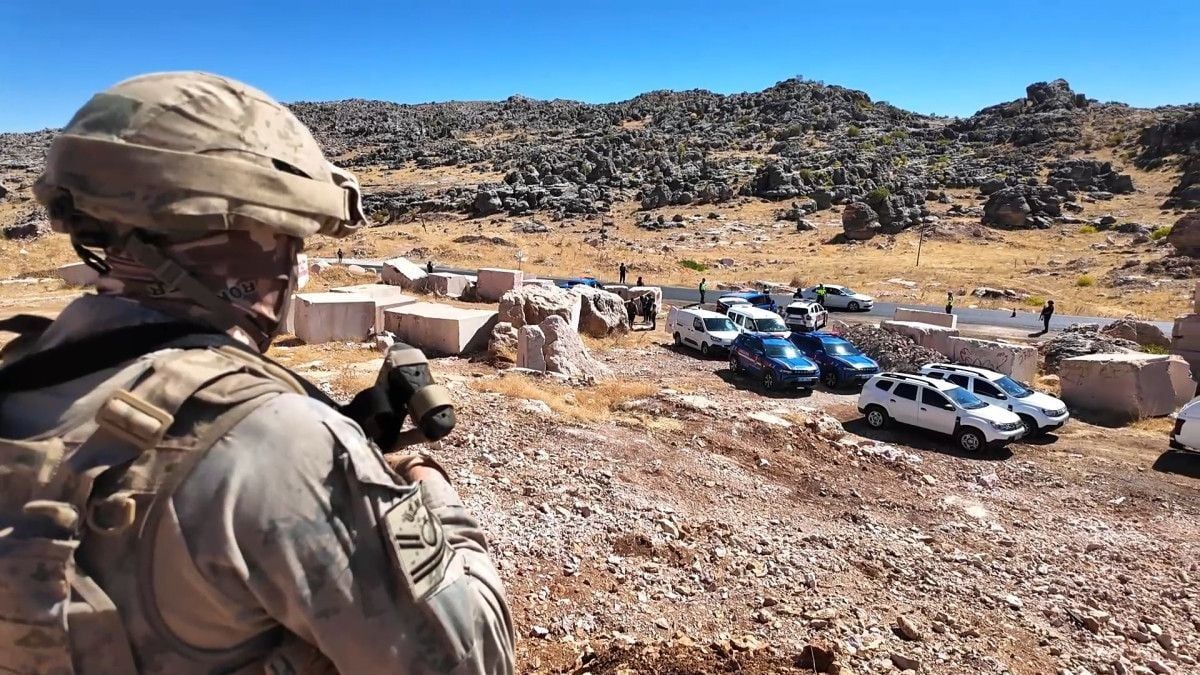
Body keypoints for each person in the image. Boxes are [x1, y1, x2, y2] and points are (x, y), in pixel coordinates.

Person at [0, 72, 513, 674]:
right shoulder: (277, 443)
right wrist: (419, 476)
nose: (294, 267)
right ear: (243, 235)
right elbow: (473, 658)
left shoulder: (24, 376)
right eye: (290, 239)